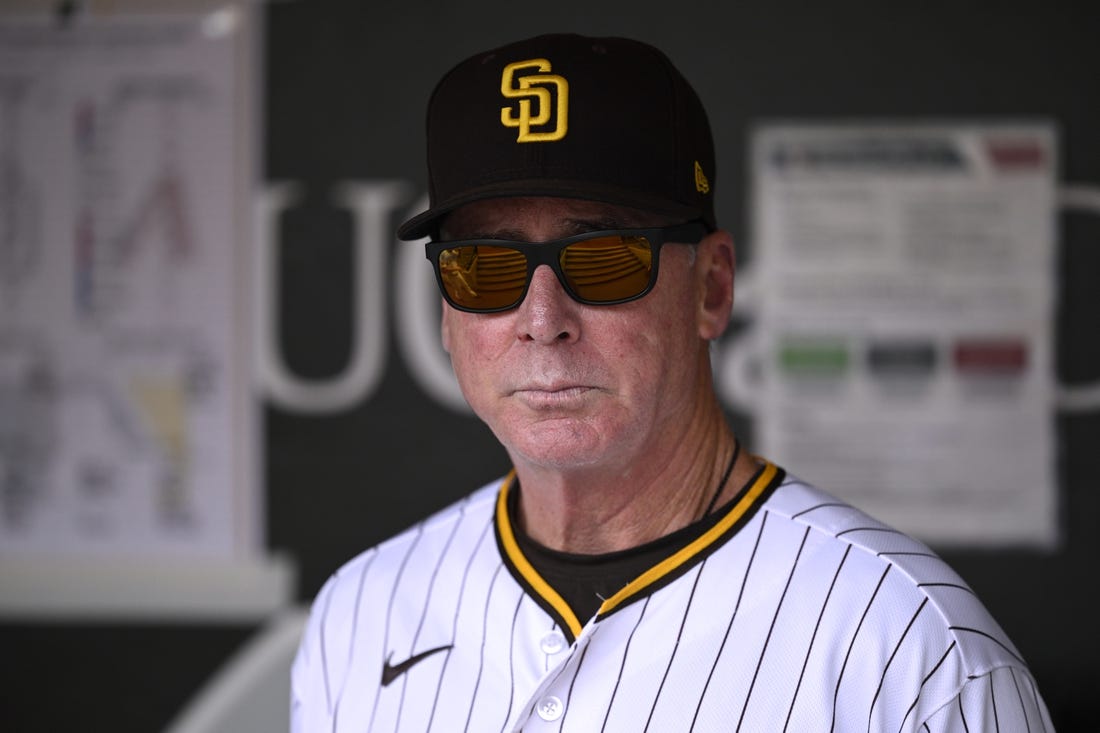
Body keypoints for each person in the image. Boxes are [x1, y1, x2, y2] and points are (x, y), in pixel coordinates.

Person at [291, 33, 1054, 732]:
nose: (541, 316)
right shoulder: (360, 613)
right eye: (484, 265)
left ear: (712, 287)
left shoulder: (911, 650)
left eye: (603, 257)